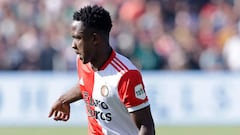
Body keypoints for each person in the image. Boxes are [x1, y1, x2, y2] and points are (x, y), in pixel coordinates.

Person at [48, 5, 155, 135]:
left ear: (94, 39)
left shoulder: (125, 75)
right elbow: (86, 84)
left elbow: (146, 126)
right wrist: (63, 100)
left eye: (78, 38)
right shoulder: (83, 61)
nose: (73, 45)